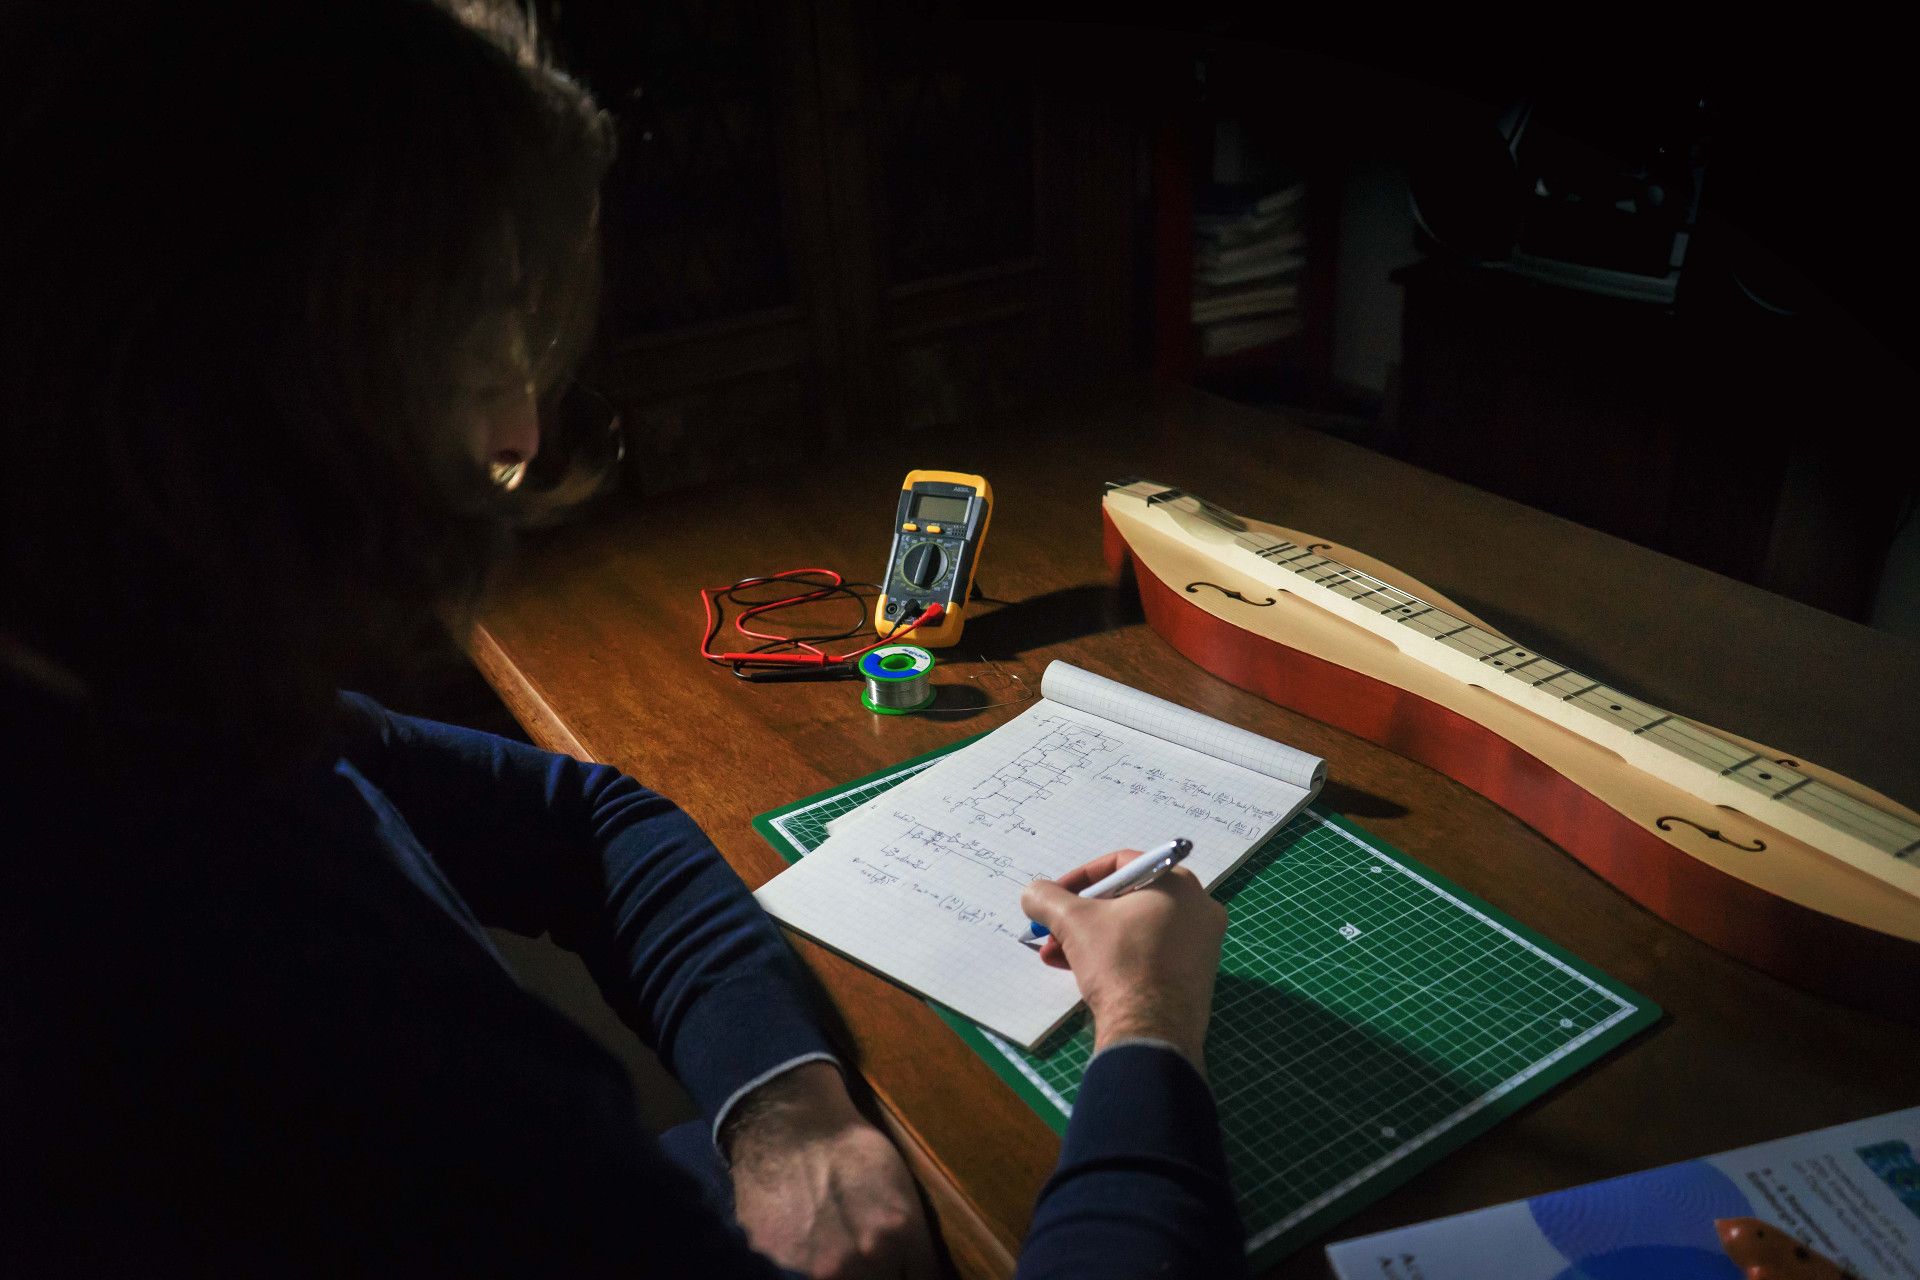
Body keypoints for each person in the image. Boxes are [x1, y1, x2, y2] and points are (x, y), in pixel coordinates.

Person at [0, 2, 1245, 1275]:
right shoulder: (269, 1017)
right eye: (470, 336)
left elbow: (594, 822)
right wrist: (1149, 1024)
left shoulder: (167, 697)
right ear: (258, 364)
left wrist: (786, 1108)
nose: (520, 430)